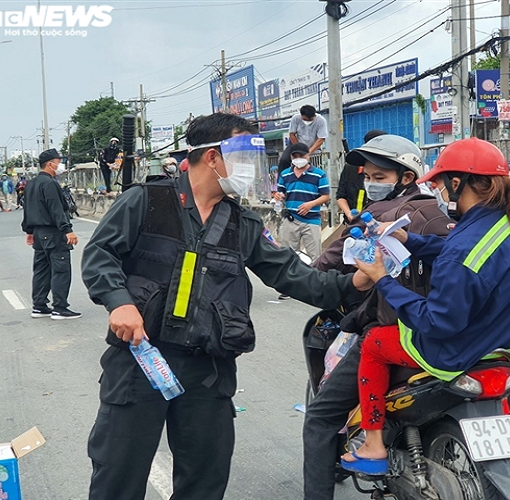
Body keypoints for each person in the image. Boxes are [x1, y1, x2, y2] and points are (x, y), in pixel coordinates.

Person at [80, 112, 366, 500]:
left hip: (208, 369)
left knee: (205, 479)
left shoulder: (242, 223)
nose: (250, 170)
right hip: (140, 361)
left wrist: (354, 283)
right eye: (245, 158)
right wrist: (119, 303)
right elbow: (99, 255)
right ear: (212, 157)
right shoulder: (147, 201)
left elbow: (293, 275)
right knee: (118, 475)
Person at [338, 137, 510, 474]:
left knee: (375, 344)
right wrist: (409, 240)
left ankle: (374, 445)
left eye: (439, 181)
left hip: (464, 348)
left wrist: (381, 278)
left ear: (457, 181)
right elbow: (473, 255)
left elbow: (436, 322)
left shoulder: (463, 249)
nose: (437, 189)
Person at [303, 135, 439, 500]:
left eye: (380, 177)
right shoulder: (445, 215)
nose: (371, 182)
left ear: (406, 177)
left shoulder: (374, 219)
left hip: (394, 334)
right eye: (369, 175)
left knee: (319, 418)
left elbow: (324, 265)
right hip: (450, 332)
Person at [21, 148, 81, 320]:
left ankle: (39, 306)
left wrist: (29, 231)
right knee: (61, 269)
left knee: (41, 270)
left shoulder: (31, 184)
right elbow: (56, 209)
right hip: (53, 232)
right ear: (50, 164)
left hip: (39, 234)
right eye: (58, 161)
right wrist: (67, 230)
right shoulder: (50, 183)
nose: (60, 165)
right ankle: (60, 308)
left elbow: (27, 209)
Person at [275, 142, 330, 266]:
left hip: (311, 220)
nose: (298, 159)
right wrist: (279, 196)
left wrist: (310, 204)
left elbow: (326, 196)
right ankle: (291, 282)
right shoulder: (285, 174)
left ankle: (315, 283)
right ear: (291, 158)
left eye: (302, 156)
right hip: (290, 219)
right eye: (295, 157)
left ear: (308, 156)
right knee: (288, 255)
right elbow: (281, 192)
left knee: (315, 257)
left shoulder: (319, 174)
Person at [336, 129, 387, 223]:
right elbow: (341, 196)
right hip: (354, 223)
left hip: (380, 222)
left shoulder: (389, 170)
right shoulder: (350, 168)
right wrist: (349, 214)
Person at [278, 105, 328, 171]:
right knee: (284, 160)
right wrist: (299, 149)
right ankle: (281, 179)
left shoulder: (321, 121)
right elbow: (292, 135)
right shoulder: (295, 118)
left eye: (310, 120)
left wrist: (308, 152)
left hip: (313, 146)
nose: (307, 121)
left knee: (314, 167)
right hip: (296, 144)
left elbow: (321, 138)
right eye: (305, 119)